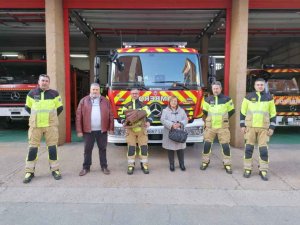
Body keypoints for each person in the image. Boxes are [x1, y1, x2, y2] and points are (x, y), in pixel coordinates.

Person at [23, 74, 63, 183]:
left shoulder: (54, 94)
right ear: (38, 81)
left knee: (52, 149)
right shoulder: (32, 93)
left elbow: (60, 108)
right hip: (35, 126)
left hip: (50, 126)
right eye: (42, 80)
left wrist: (51, 119)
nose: (44, 82)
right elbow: (27, 107)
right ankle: (29, 171)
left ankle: (55, 170)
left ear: (49, 82)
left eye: (46, 80)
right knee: (32, 149)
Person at [240, 78, 276, 181]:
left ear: (264, 86)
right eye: (258, 85)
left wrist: (272, 127)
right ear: (254, 86)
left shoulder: (269, 98)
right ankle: (247, 169)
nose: (260, 86)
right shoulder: (248, 97)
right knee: (248, 149)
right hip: (250, 127)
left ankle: (263, 170)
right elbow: (243, 112)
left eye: (261, 85)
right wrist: (242, 125)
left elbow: (273, 113)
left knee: (263, 150)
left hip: (264, 128)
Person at [76, 83, 114, 176]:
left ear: (99, 91)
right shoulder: (83, 101)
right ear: (90, 90)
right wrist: (79, 130)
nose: (95, 91)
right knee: (87, 149)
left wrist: (111, 128)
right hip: (88, 131)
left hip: (102, 130)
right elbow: (78, 117)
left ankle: (104, 166)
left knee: (103, 149)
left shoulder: (105, 101)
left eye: (97, 90)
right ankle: (86, 168)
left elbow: (111, 115)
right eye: (93, 89)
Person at [200, 81, 235, 174]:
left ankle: (227, 164)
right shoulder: (207, 99)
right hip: (210, 127)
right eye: (214, 88)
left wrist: (223, 119)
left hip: (222, 127)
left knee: (225, 146)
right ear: (212, 89)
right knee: (207, 145)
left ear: (221, 89)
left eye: (217, 88)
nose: (215, 90)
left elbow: (231, 111)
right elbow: (205, 112)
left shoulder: (227, 99)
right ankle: (205, 162)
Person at [119, 88, 153, 175]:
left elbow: (150, 114)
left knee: (144, 148)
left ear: (139, 94)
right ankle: (131, 165)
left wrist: (149, 121)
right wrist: (123, 122)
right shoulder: (126, 105)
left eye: (136, 93)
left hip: (142, 129)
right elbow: (121, 116)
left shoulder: (143, 105)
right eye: (133, 93)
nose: (134, 95)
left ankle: (144, 164)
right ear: (130, 94)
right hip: (130, 130)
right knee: (131, 148)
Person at [160, 96, 188, 171]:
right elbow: (162, 120)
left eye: (175, 101)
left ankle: (182, 164)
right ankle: (172, 164)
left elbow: (186, 119)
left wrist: (180, 124)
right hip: (170, 132)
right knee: (170, 149)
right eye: (172, 101)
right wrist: (171, 125)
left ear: (177, 102)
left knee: (180, 149)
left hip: (179, 133)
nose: (174, 102)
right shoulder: (165, 110)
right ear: (169, 102)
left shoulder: (181, 110)